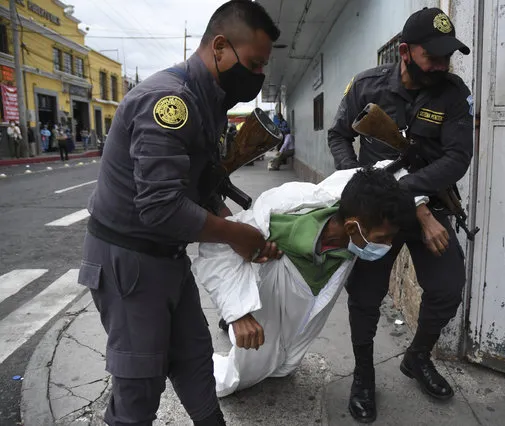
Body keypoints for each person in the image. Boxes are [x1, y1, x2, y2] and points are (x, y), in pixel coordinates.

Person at [78, 1, 281, 425]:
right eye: (255, 64)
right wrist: (234, 234)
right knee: (139, 388)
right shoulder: (170, 103)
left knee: (194, 356)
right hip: (128, 262)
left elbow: (198, 188)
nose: (259, 76)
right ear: (221, 47)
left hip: (167, 258)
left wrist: (243, 229)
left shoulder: (210, 102)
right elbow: (160, 207)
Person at [327, 7, 473, 423]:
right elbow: (339, 135)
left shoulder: (453, 93)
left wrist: (413, 200)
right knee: (365, 297)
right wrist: (356, 180)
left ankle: (417, 356)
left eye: (448, 57)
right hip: (377, 217)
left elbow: (457, 159)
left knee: (447, 287)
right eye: (434, 56)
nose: (442, 65)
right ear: (405, 52)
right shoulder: (366, 85)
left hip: (431, 204)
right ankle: (363, 374)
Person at [193, 164, 422, 397]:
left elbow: (392, 168)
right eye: (383, 238)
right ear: (352, 227)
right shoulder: (280, 215)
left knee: (285, 364)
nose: (387, 245)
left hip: (298, 314)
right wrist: (239, 313)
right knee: (238, 377)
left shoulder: (356, 201)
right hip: (271, 297)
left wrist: (423, 210)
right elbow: (219, 247)